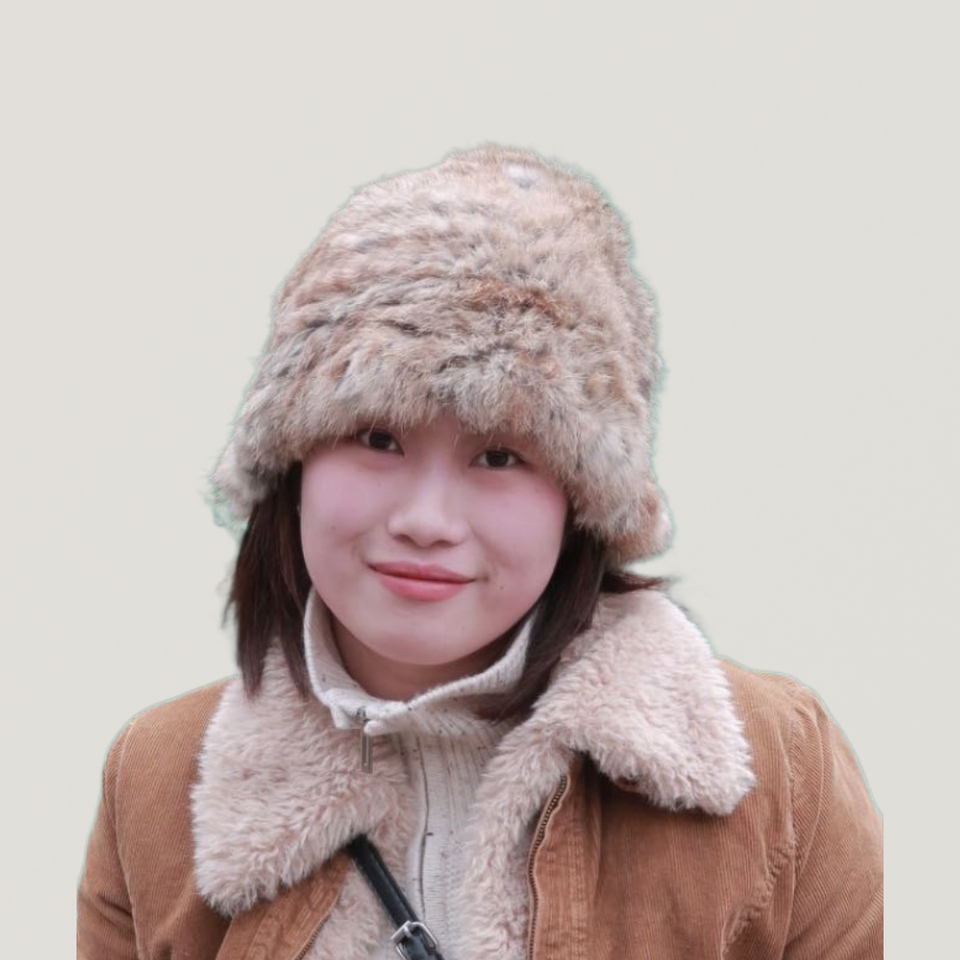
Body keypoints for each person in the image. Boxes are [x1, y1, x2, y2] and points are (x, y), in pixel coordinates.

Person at [77, 145, 883, 960]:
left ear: (581, 500)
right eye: (377, 437)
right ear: (292, 463)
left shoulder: (783, 769)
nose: (426, 520)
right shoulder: (155, 780)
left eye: (499, 455)